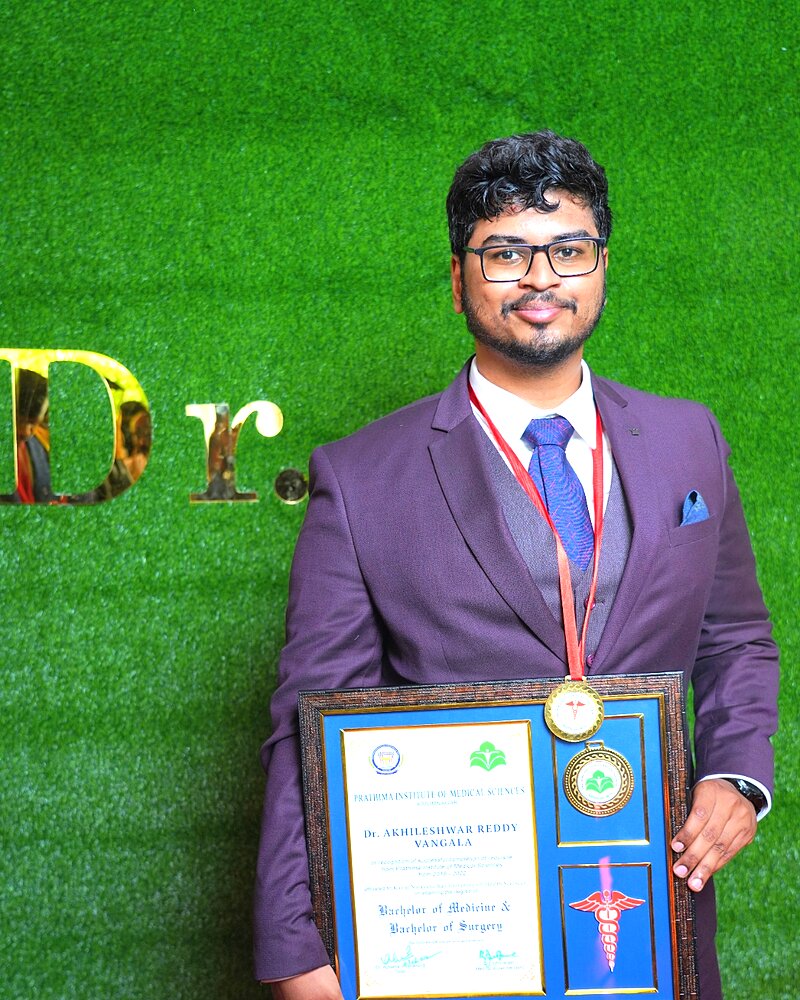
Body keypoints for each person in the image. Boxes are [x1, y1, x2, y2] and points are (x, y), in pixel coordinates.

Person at [253, 130, 778, 999]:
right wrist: (295, 950)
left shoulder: (692, 438)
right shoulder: (360, 476)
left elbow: (735, 638)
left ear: (601, 267)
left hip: (656, 907)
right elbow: (307, 720)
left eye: (568, 250)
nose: (542, 279)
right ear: (458, 280)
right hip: (452, 920)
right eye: (506, 254)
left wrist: (735, 774)